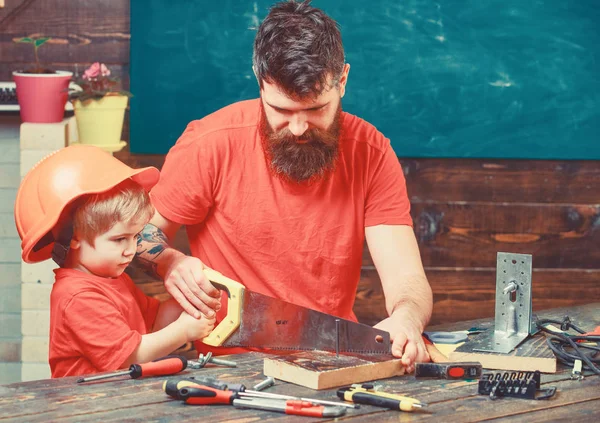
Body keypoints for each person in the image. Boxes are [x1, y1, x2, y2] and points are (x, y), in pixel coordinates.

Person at [136, 0, 433, 372]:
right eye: (281, 111)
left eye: (315, 110)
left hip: (329, 361)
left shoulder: (371, 152)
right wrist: (169, 262)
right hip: (225, 367)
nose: (297, 129)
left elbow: (407, 279)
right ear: (260, 83)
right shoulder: (209, 143)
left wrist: (407, 318)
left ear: (342, 81)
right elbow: (141, 235)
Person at [14, 145, 215, 377]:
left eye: (136, 236)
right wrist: (183, 331)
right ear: (75, 236)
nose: (131, 249)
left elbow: (153, 324)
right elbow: (129, 357)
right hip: (84, 406)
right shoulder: (78, 295)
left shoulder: (113, 279)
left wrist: (191, 297)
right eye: (119, 239)